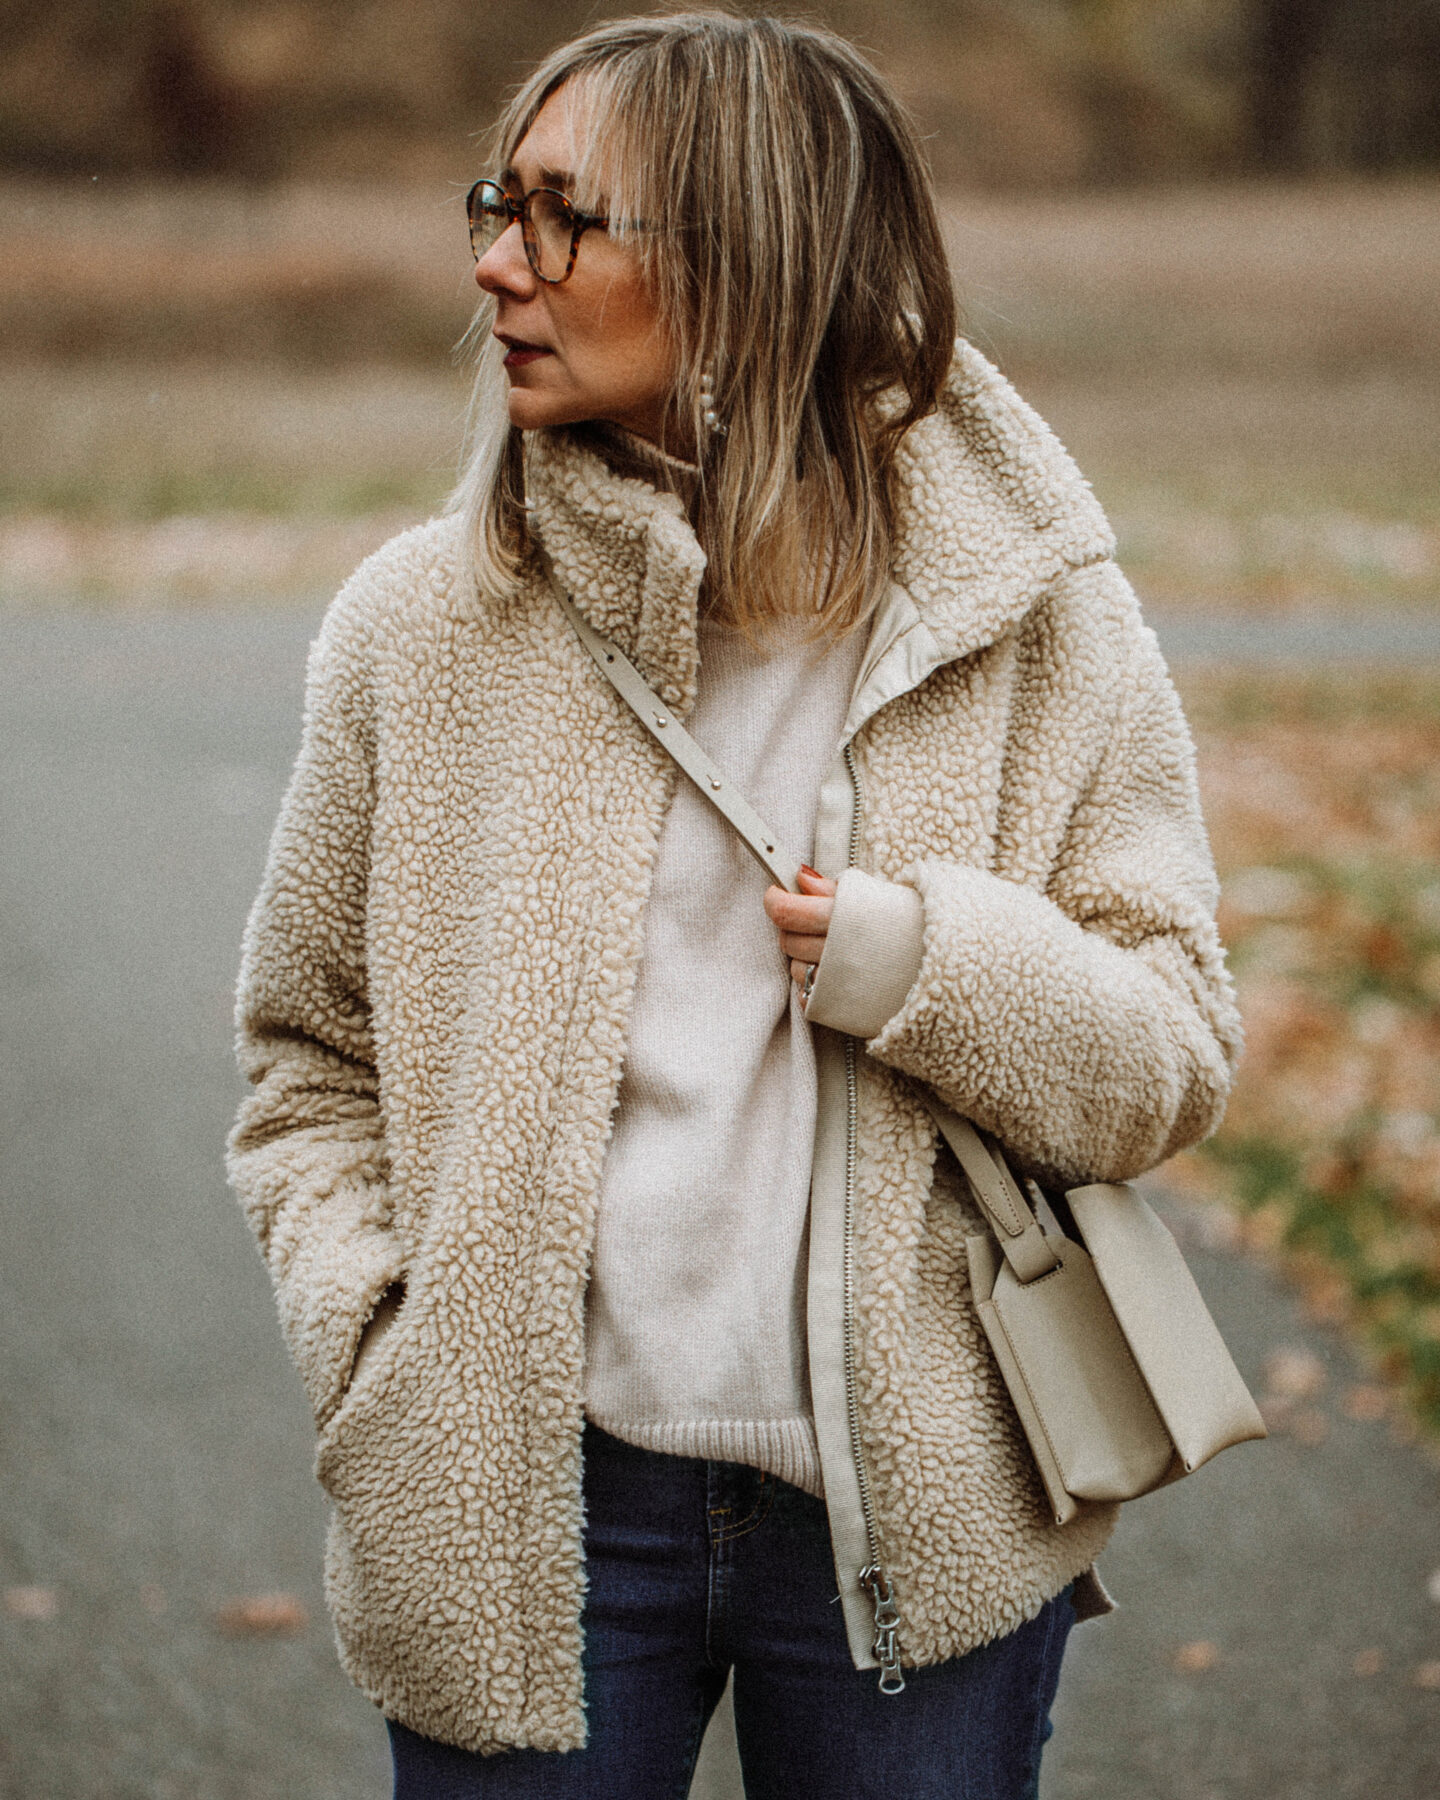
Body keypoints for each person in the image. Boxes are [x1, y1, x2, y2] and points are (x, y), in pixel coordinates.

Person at [227, 12, 1241, 1797]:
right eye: (498, 200)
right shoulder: (419, 628)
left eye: (562, 216)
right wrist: (391, 1352)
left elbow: (1171, 1055)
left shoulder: (1029, 623)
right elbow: (309, 1061)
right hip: (530, 1517)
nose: (494, 262)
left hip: (922, 1520)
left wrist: (929, 963)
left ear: (753, 258)